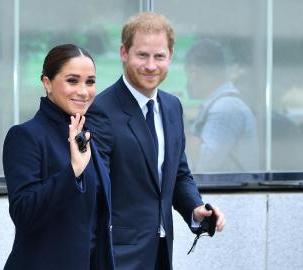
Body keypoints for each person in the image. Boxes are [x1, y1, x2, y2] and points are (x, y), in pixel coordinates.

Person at [87, 12, 225, 270]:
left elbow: (179, 174)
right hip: (117, 257)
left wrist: (196, 209)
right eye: (142, 55)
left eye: (159, 56)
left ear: (170, 56)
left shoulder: (172, 106)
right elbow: (96, 191)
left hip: (161, 253)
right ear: (123, 53)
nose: (151, 65)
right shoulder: (101, 109)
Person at [3, 44, 114, 270]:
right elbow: (24, 214)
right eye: (72, 81)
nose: (83, 91)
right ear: (47, 83)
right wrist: (72, 171)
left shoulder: (88, 134)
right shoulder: (25, 136)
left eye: (90, 81)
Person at [185, 39, 259, 173]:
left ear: (197, 72)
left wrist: (177, 124)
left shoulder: (225, 108)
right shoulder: (220, 104)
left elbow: (204, 164)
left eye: (188, 73)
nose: (188, 81)